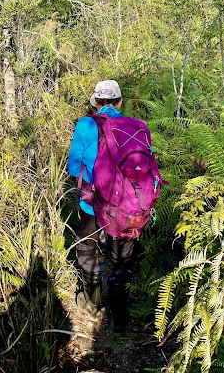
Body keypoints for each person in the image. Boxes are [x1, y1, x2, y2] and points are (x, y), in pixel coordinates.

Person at [68, 79, 136, 334]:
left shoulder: (86, 124)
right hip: (126, 208)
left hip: (92, 204)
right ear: (120, 102)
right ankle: (119, 317)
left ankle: (94, 306)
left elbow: (74, 168)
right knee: (120, 259)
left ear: (95, 103)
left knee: (87, 249)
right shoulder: (136, 126)